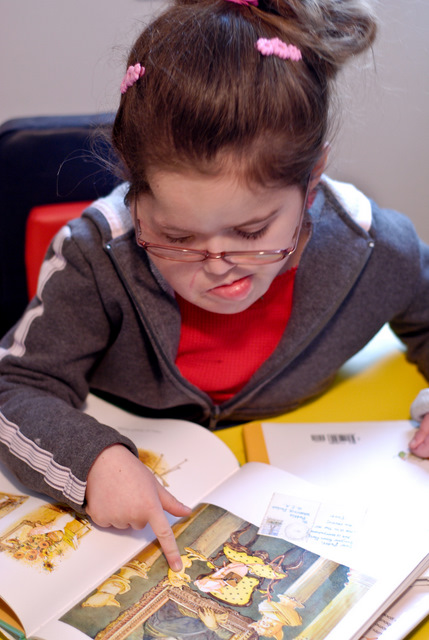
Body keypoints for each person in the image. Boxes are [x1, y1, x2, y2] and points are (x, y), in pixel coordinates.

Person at [1, 0, 429, 573]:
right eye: (175, 235)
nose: (219, 263)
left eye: (252, 231)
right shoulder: (97, 254)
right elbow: (14, 386)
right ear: (132, 191)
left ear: (311, 183)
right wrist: (92, 459)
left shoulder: (375, 249)